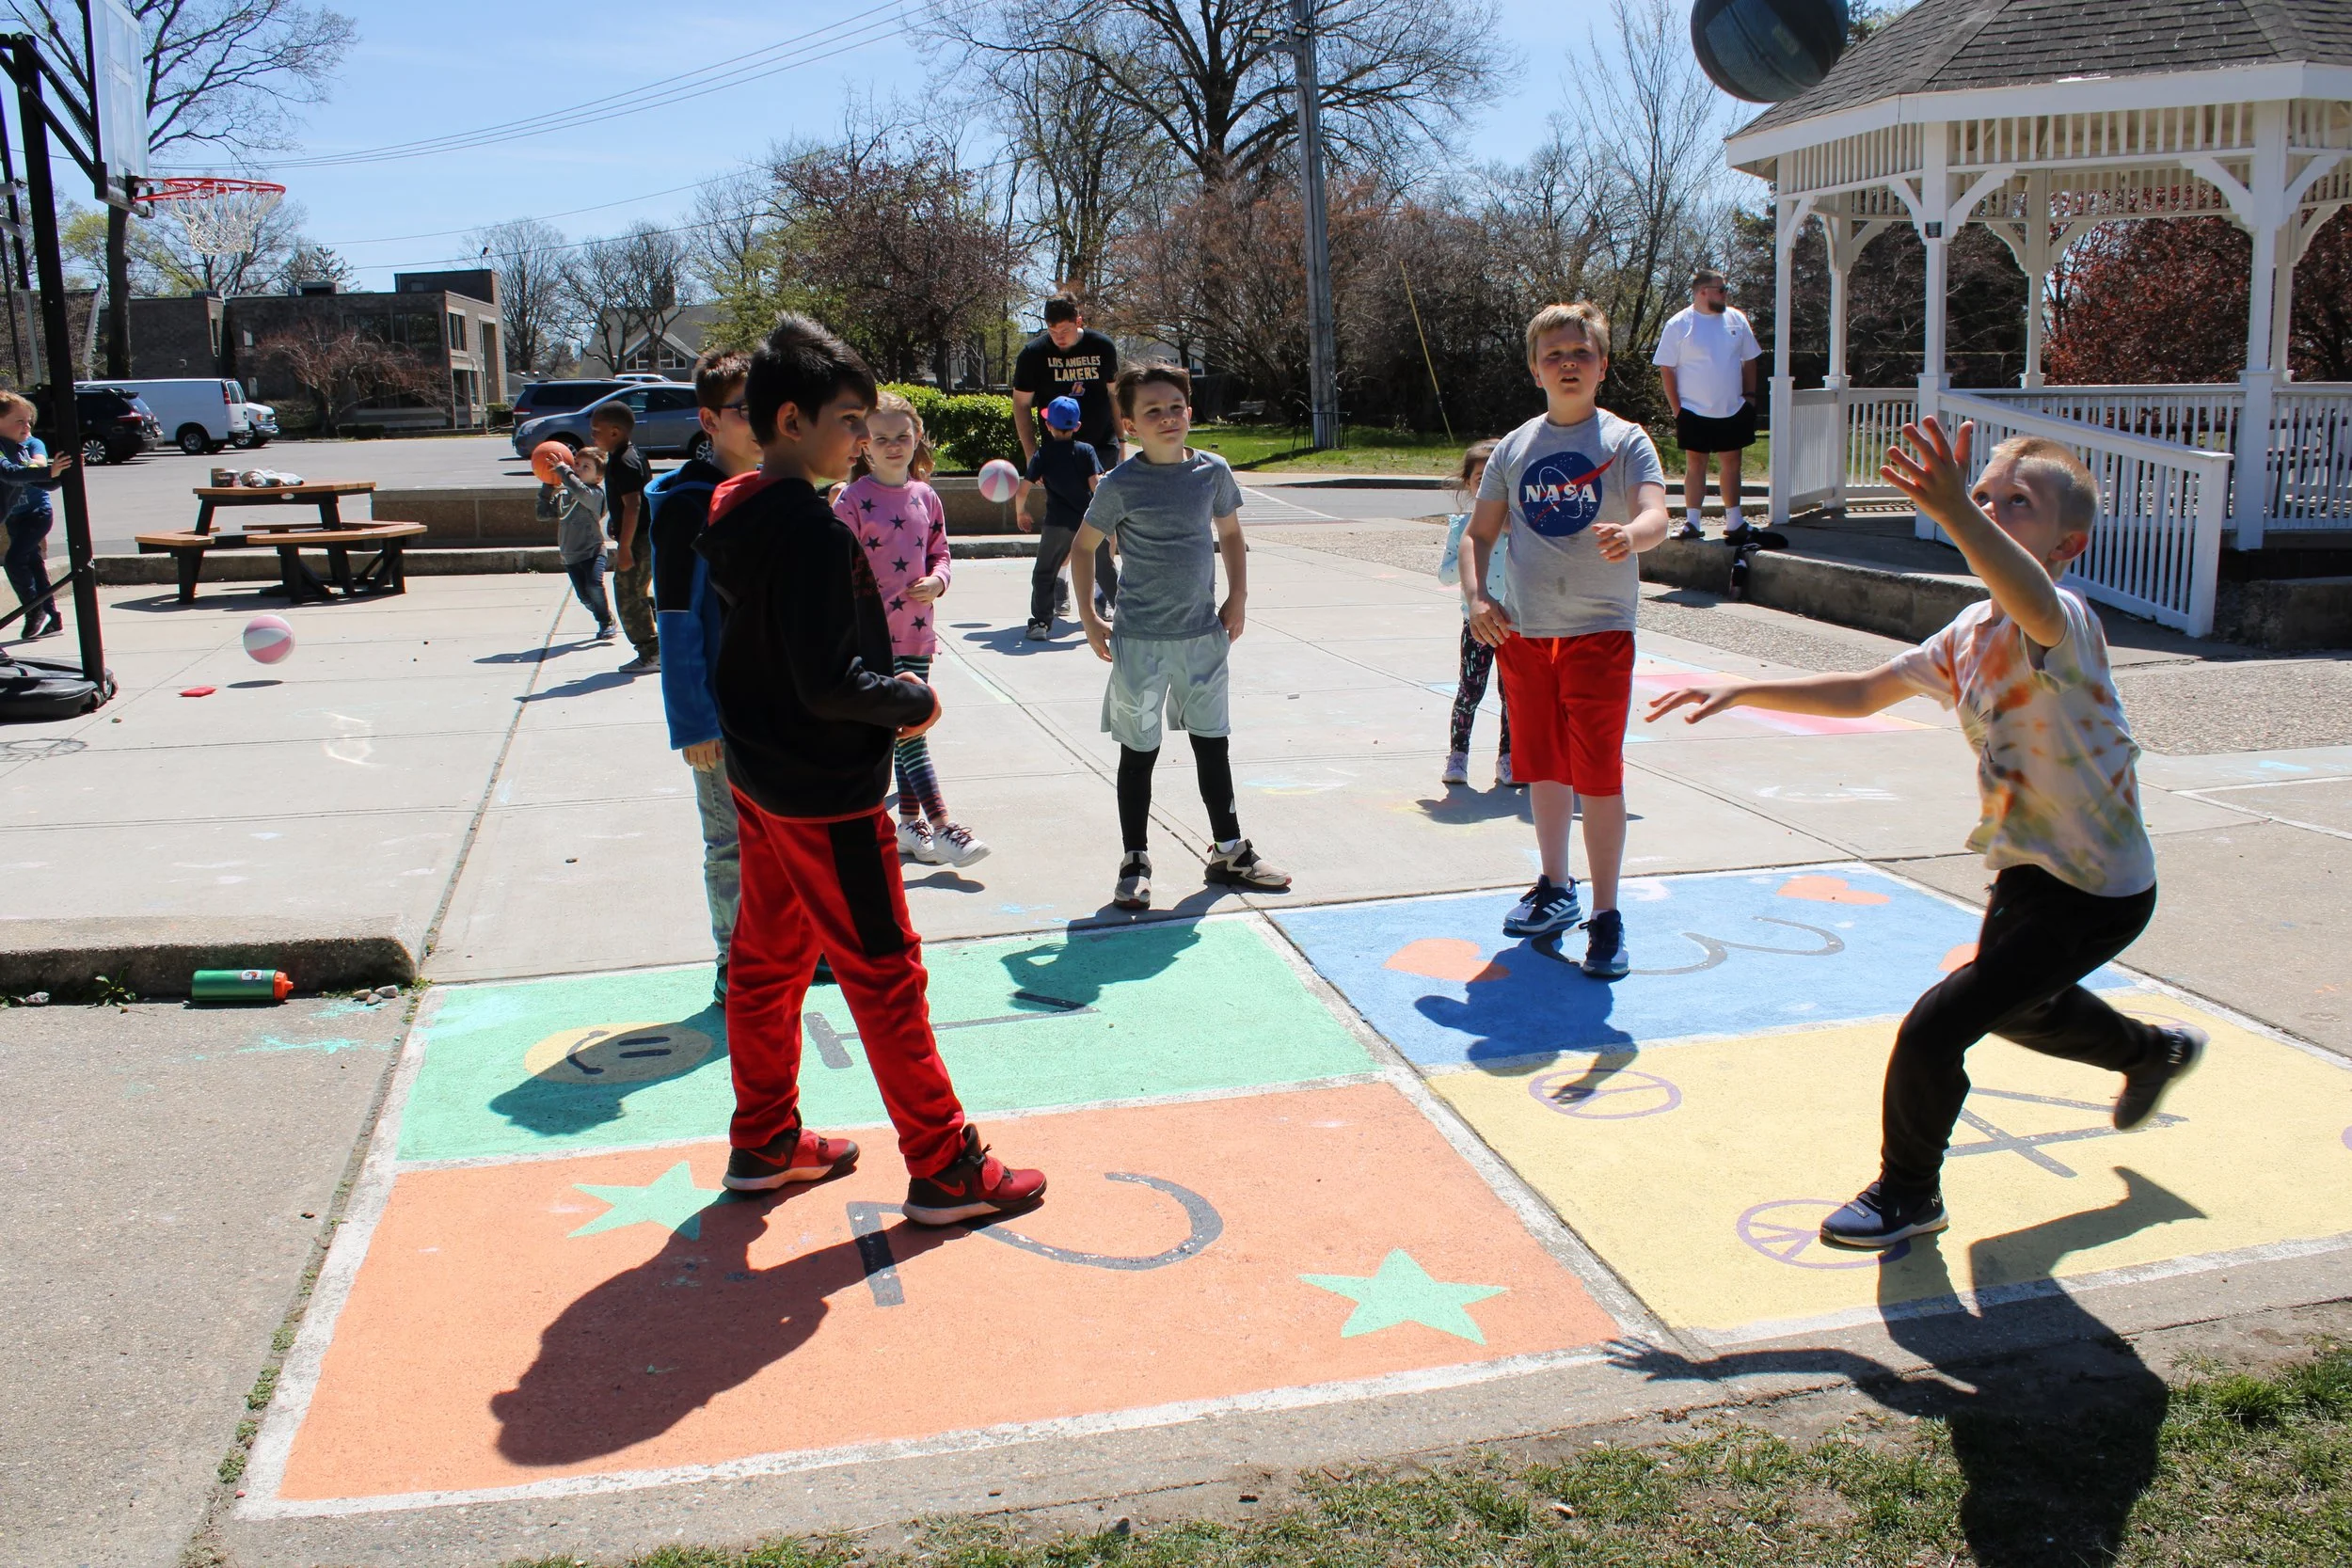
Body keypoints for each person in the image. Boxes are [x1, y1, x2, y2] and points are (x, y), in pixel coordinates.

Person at [1645, 418, 2204, 1249]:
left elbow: (2027, 594)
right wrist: (1747, 685)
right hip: (2026, 873)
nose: (1992, 508)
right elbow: (1867, 692)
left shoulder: (2066, 623)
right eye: (1986, 495)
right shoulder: (1970, 633)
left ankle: (1909, 1193)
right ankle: (2152, 1052)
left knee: (1936, 1028)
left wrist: (1956, 512)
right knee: (2021, 1008)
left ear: (2068, 545)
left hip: (2100, 888)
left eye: (2020, 502)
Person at [694, 311, 1044, 1223]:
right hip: (824, 794)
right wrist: (909, 701)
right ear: (788, 421)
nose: (859, 438)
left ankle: (764, 1136)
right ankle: (943, 1163)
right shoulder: (809, 530)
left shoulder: (737, 510)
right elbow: (828, 679)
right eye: (847, 421)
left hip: (761, 780)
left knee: (767, 962)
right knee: (885, 969)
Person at [1459, 302, 1669, 978]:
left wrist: (1631, 536)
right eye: (1555, 355)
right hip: (1524, 633)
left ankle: (1605, 915)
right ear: (1534, 369)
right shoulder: (1516, 447)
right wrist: (1477, 597)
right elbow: (1477, 534)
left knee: (1597, 775)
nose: (1568, 364)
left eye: (1581, 353)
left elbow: (1657, 514)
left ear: (1603, 365)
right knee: (1543, 767)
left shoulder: (1626, 441)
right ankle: (1556, 888)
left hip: (1598, 632)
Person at [1070, 361, 1292, 911]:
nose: (1167, 418)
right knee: (1138, 754)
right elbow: (1082, 546)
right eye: (1152, 411)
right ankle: (1135, 860)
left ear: (1189, 412)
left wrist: (1238, 597)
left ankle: (1228, 851)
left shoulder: (1212, 472)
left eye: (1175, 407)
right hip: (1140, 642)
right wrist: (1088, 615)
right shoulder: (1121, 483)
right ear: (1129, 426)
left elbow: (1232, 535)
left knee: (1211, 745)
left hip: (1202, 637)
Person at [834, 389, 988, 868]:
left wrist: (939, 581)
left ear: (916, 437)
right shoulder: (853, 500)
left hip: (918, 634)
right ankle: (943, 827)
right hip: (873, 641)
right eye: (881, 438)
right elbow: (834, 562)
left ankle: (909, 825)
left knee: (908, 728)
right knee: (909, 730)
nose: (893, 445)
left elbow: (941, 551)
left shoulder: (927, 496)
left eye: (902, 436)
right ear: (864, 444)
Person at [652, 349, 761, 1004]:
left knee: (780, 838)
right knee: (730, 843)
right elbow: (677, 618)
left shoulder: (771, 490)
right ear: (708, 420)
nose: (760, 423)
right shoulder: (688, 504)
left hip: (771, 707)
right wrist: (693, 719)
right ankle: (735, 963)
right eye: (743, 410)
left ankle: (787, 954)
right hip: (718, 712)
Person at [1012, 293, 1120, 615]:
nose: (1058, 337)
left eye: (1065, 330)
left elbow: (1114, 395)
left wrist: (1124, 438)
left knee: (1105, 517)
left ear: (1079, 322)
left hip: (1101, 445)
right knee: (1065, 519)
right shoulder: (1033, 354)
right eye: (1052, 330)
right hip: (1059, 451)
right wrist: (1034, 455)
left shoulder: (1102, 347)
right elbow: (1021, 405)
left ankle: (1103, 591)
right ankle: (1060, 579)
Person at [1651, 268, 1761, 542]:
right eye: (1720, 290)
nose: (1725, 294)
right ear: (1702, 292)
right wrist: (1678, 409)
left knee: (1732, 461)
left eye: (1726, 290)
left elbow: (1750, 360)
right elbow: (1666, 368)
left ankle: (1735, 523)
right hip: (1693, 410)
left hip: (1732, 407)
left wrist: (1749, 397)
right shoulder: (1679, 324)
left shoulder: (1737, 319)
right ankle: (1691, 523)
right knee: (1695, 464)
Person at [1436, 439, 1514, 788]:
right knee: (1470, 691)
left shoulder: (1524, 525)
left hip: (1517, 624)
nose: (1486, 484)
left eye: (1494, 476)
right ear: (1468, 483)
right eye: (1480, 477)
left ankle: (1509, 757)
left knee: (1513, 694)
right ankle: (1458, 755)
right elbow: (1445, 574)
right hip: (1478, 624)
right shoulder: (1462, 526)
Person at [1014, 395, 1109, 639]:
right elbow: (1096, 485)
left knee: (1045, 572)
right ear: (1077, 426)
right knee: (1103, 568)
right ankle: (1126, 613)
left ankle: (1041, 623)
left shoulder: (1043, 454)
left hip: (1058, 523)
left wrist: (1021, 512)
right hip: (1089, 521)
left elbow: (1023, 489)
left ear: (1048, 426)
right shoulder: (1086, 451)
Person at [593, 399, 658, 673]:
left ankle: (651, 653)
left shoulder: (622, 462)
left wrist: (626, 548)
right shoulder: (631, 454)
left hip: (638, 541)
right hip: (640, 536)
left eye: (597, 430)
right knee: (639, 591)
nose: (592, 435)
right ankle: (660, 645)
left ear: (615, 432)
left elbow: (634, 504)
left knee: (628, 595)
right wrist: (616, 525)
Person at [0, 390, 71, 640]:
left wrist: (61, 473)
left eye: (29, 421)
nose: (26, 426)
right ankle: (38, 610)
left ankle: (40, 611)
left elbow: (43, 483)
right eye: (19, 421)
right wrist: (49, 472)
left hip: (35, 514)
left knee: (21, 561)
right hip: (17, 518)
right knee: (20, 561)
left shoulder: (20, 449)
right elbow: (8, 473)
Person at [539, 446, 613, 641]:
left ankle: (606, 622)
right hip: (570, 555)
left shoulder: (595, 494)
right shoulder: (564, 495)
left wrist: (564, 470)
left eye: (586, 467)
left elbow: (580, 491)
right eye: (577, 464)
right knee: (585, 597)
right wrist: (546, 488)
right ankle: (602, 614)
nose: (578, 469)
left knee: (594, 585)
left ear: (598, 477)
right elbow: (543, 515)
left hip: (593, 551)